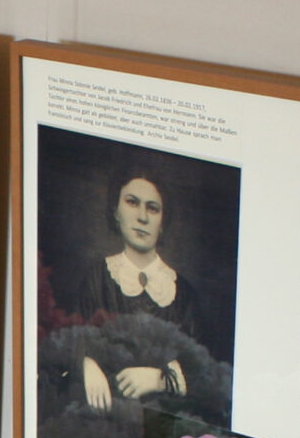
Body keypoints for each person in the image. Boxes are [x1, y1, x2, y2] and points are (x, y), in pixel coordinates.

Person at [63, 171, 213, 409]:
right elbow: (71, 343)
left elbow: (207, 372)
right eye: (132, 203)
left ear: (162, 222)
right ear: (116, 212)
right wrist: (86, 364)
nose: (142, 217)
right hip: (105, 414)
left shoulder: (183, 293)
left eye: (153, 208)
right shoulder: (96, 278)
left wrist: (160, 380)